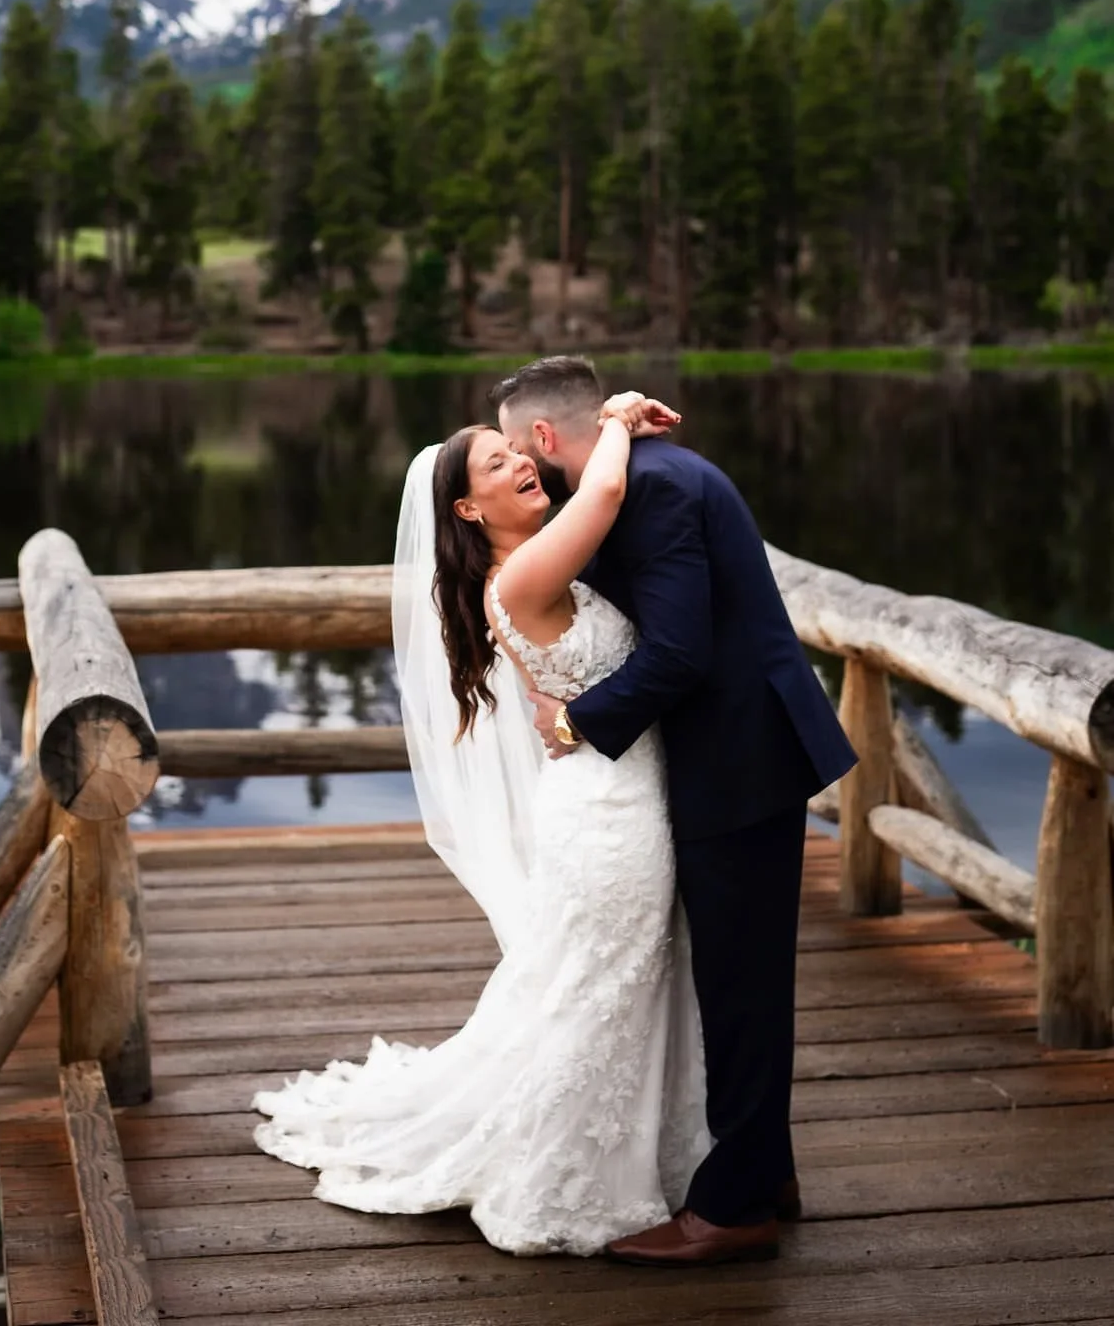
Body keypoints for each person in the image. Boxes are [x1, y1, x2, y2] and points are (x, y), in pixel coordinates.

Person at [253, 391, 716, 1255]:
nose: (519, 463)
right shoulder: (524, 576)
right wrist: (614, 419)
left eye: (515, 451)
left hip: (615, 792)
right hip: (611, 816)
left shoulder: (539, 563)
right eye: (495, 462)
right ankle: (561, 1182)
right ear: (468, 508)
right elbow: (606, 496)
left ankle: (661, 1158)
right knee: (601, 993)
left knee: (614, 986)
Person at [492, 355, 857, 1268]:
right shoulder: (638, 475)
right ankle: (759, 1169)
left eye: (510, 445)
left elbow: (679, 654)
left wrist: (573, 720)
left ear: (542, 437)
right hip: (736, 752)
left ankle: (732, 1209)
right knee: (743, 979)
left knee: (739, 988)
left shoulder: (650, 487)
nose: (514, 463)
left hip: (738, 758)